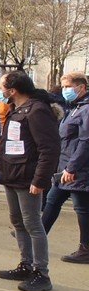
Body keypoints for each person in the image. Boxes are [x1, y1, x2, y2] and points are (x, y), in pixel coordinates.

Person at [0, 71, 61, 291]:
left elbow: (49, 148)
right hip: (12, 175)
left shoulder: (37, 110)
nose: (0, 90)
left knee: (33, 223)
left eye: (2, 86)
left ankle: (41, 273)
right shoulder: (17, 109)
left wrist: (40, 179)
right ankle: (26, 264)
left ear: (12, 90)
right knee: (18, 221)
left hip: (28, 178)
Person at [41, 71, 89, 263]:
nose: (65, 90)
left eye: (68, 86)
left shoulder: (86, 109)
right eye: (63, 87)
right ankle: (37, 233)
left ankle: (85, 248)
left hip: (78, 169)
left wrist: (72, 168)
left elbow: (86, 141)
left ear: (81, 87)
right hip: (66, 166)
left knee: (82, 208)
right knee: (52, 200)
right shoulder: (75, 107)